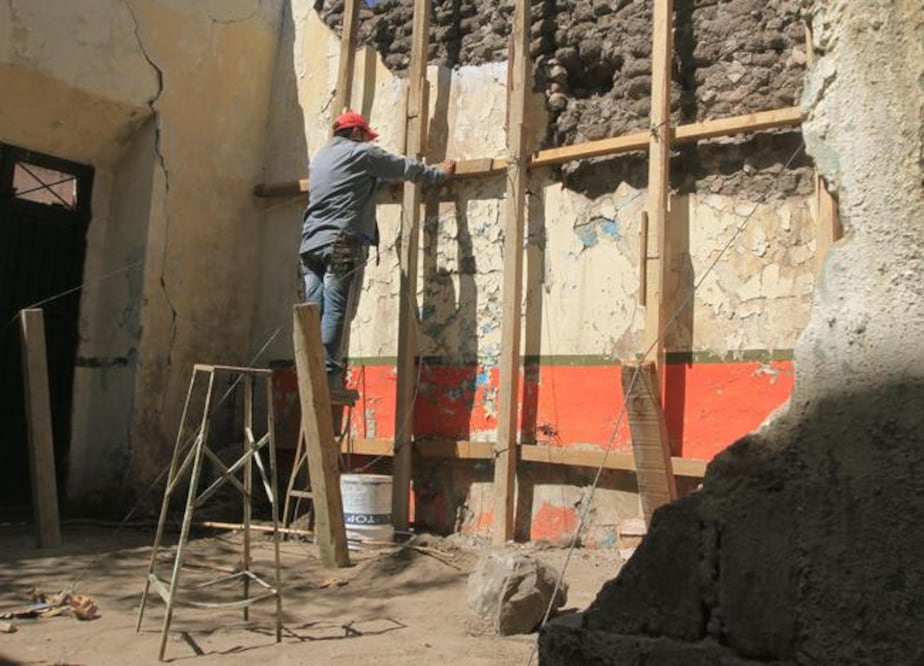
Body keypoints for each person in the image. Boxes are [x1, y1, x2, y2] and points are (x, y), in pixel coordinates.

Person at [299, 110, 455, 390]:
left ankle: (311, 371)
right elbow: (402, 166)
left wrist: (378, 182)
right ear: (357, 134)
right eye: (366, 137)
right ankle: (329, 377)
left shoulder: (321, 158)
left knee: (314, 311)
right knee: (336, 310)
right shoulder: (361, 154)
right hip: (340, 243)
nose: (368, 142)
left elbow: (352, 182)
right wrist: (437, 174)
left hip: (310, 245)